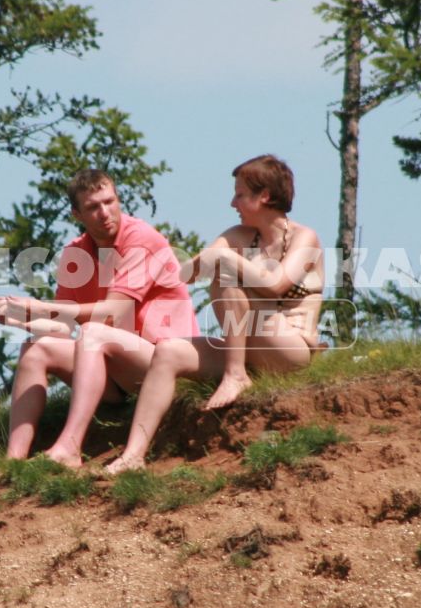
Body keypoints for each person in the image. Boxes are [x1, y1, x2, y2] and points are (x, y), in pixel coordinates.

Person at [102, 154, 324, 474]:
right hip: (245, 344)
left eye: (240, 194)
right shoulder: (238, 235)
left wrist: (223, 259)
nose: (232, 201)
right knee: (168, 351)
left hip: (288, 347)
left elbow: (276, 285)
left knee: (226, 273)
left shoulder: (305, 238)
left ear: (264, 196)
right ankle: (133, 454)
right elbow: (186, 275)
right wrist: (207, 257)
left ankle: (235, 375)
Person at [0, 169, 198, 472]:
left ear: (118, 199)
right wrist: (22, 317)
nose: (104, 212)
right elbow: (63, 326)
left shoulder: (141, 239)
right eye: (92, 207)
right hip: (115, 369)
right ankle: (12, 463)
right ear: (77, 214)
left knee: (95, 331)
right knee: (36, 347)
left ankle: (70, 448)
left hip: (165, 366)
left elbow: (112, 311)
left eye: (109, 202)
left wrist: (41, 306)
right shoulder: (75, 252)